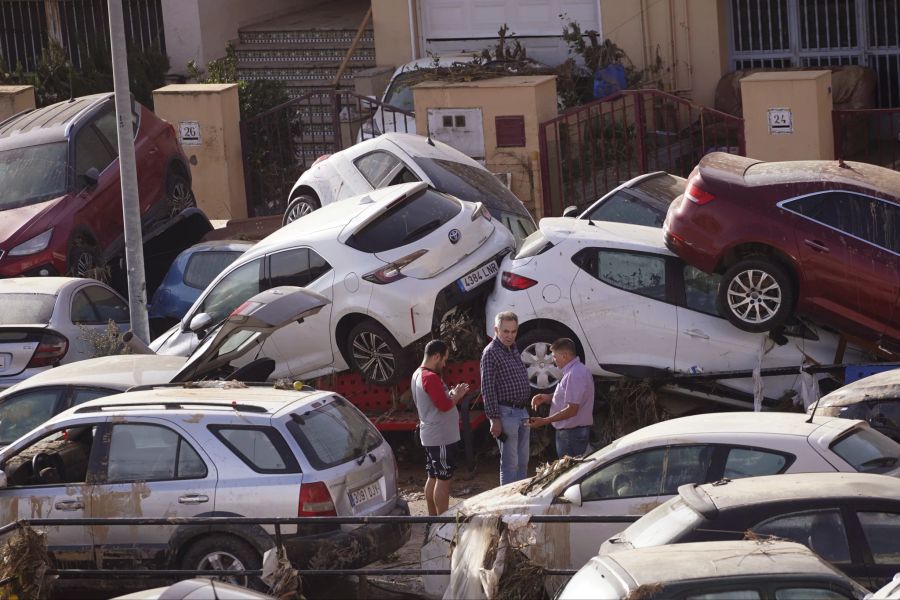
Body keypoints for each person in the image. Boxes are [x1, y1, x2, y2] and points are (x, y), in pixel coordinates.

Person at [412, 339, 470, 516]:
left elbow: (438, 400)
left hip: (431, 434)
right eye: (444, 359)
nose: (444, 364)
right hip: (441, 436)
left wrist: (450, 394)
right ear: (436, 356)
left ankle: (432, 518)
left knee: (433, 476)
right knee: (443, 479)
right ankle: (442, 520)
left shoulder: (418, 374)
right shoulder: (430, 377)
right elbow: (444, 405)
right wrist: (457, 396)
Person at [480, 311, 531, 485]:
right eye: (506, 331)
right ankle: (508, 504)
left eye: (514, 331)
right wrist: (494, 419)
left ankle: (521, 499)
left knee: (523, 461)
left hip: (522, 411)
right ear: (496, 330)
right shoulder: (490, 353)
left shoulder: (513, 348)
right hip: (506, 413)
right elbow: (487, 387)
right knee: (511, 464)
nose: (510, 336)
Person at [528, 338, 594, 458]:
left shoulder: (575, 374)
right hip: (571, 433)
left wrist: (545, 421)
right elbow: (569, 396)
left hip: (571, 434)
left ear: (564, 355)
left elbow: (572, 409)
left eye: (554, 356)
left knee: (571, 473)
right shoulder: (575, 371)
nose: (553, 360)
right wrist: (547, 397)